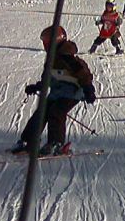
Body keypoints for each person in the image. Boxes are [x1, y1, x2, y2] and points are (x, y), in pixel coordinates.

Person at [11, 25, 96, 156]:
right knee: (41, 112)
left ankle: (57, 144)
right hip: (57, 93)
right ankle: (29, 141)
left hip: (73, 93)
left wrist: (88, 89)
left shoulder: (67, 57)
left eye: (46, 41)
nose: (45, 44)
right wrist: (38, 86)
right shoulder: (51, 58)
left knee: (56, 112)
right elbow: (47, 77)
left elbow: (84, 74)